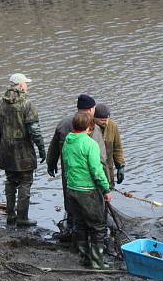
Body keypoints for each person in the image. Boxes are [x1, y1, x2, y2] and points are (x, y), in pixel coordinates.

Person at [0, 73, 46, 227]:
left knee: (10, 180)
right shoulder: (28, 105)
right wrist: (41, 149)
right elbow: (35, 131)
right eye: (25, 84)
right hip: (24, 152)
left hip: (6, 150)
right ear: (21, 86)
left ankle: (10, 215)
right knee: (25, 182)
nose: (27, 86)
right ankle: (22, 218)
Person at [47, 94, 107, 236]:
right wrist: (107, 185)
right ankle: (92, 243)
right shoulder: (92, 127)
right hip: (88, 180)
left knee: (72, 204)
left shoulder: (63, 124)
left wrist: (51, 163)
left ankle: (72, 230)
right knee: (92, 213)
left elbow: (54, 146)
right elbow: (101, 160)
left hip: (69, 174)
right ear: (91, 109)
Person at [61, 111, 112, 269]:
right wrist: (106, 189)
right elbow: (97, 170)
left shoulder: (67, 142)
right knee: (98, 227)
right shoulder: (90, 144)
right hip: (88, 191)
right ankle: (97, 263)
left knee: (80, 224)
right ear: (90, 128)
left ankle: (84, 258)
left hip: (71, 189)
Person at [93, 104, 126, 189]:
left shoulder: (112, 126)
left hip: (108, 168)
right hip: (95, 169)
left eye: (107, 119)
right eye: (102, 120)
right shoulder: (89, 127)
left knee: (109, 190)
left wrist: (120, 166)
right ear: (94, 118)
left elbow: (117, 148)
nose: (106, 122)